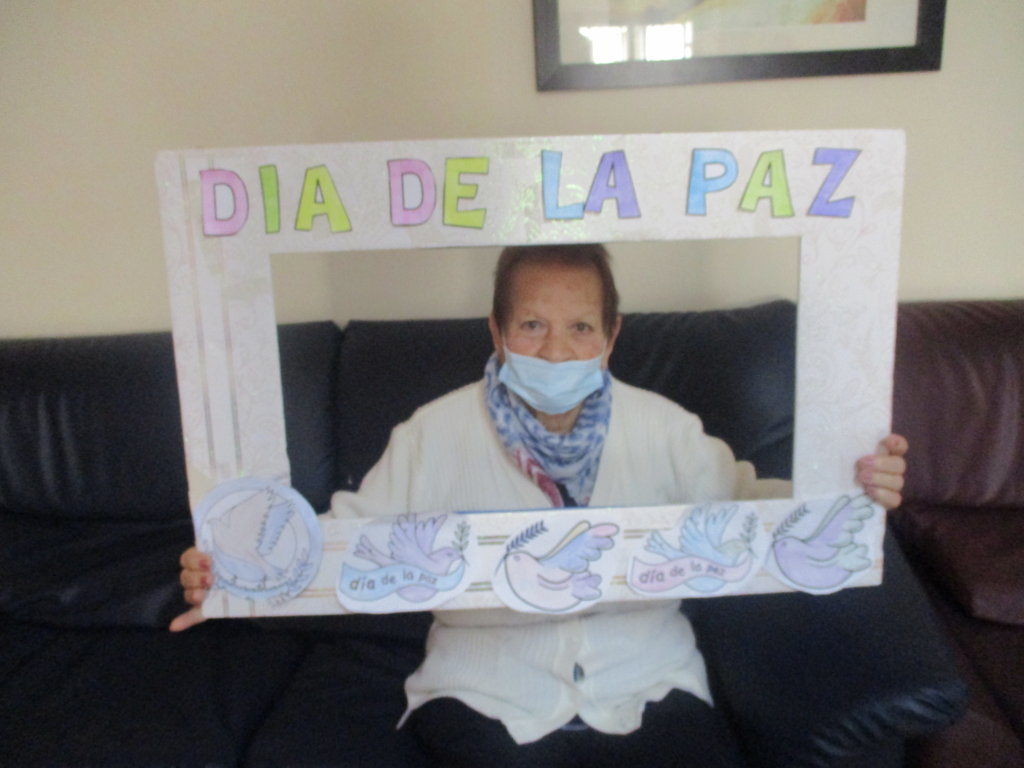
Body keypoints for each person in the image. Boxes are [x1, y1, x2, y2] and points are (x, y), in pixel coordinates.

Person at [173, 244, 908, 766]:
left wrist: (852, 494)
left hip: (648, 677)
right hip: (481, 688)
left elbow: (754, 510)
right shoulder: (432, 431)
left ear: (611, 337)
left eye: (580, 327)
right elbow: (346, 537)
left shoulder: (666, 428)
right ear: (496, 332)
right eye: (532, 325)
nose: (556, 351)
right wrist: (238, 570)